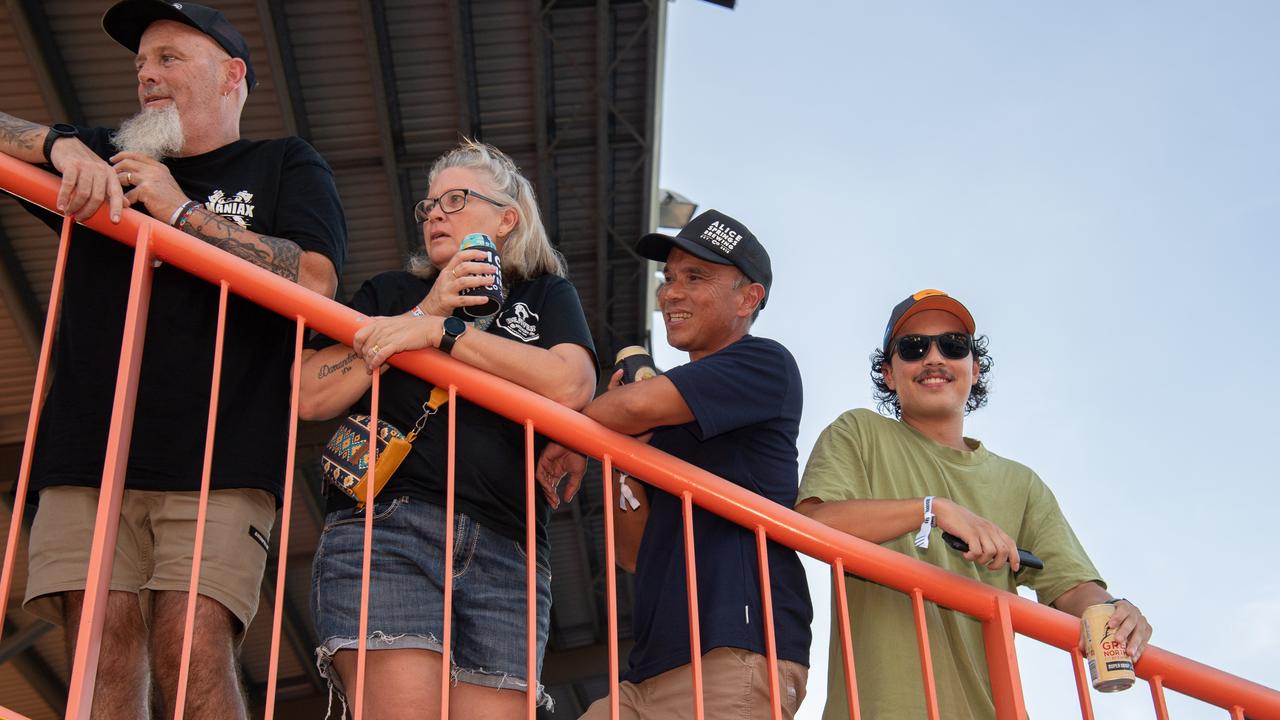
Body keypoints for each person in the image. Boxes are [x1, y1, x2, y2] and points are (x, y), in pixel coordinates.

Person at [0, 1, 347, 718]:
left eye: (168, 59)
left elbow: (315, 280)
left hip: (222, 456)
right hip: (85, 454)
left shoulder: (283, 162)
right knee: (103, 658)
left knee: (194, 651)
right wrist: (62, 146)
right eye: (139, 65)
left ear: (232, 76)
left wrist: (182, 212)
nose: (146, 77)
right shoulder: (104, 154)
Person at [299, 139, 596, 718]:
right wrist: (425, 313)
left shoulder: (545, 294)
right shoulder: (393, 293)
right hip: (387, 530)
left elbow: (570, 385)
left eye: (456, 199)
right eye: (429, 204)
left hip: (510, 548)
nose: (435, 212)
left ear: (507, 218)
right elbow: (311, 390)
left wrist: (445, 338)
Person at [795, 289, 1154, 720]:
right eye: (913, 347)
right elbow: (812, 522)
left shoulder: (1021, 483)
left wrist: (1115, 609)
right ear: (889, 374)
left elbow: (1072, 586)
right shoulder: (858, 432)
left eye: (953, 345)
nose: (933, 358)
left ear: (974, 368)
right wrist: (931, 510)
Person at [537, 210, 813, 720]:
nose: (671, 293)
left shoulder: (764, 362)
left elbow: (633, 407)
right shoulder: (664, 409)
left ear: (749, 299)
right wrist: (621, 459)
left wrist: (581, 434)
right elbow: (631, 552)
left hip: (737, 649)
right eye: (668, 280)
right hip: (652, 665)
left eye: (695, 277)